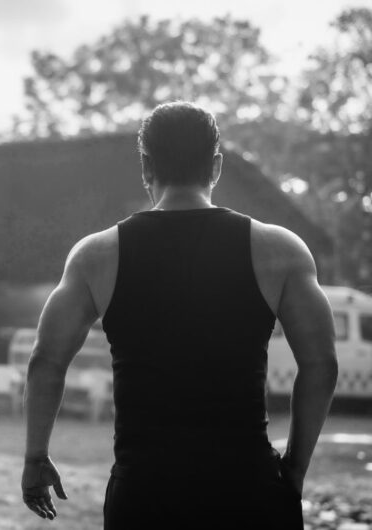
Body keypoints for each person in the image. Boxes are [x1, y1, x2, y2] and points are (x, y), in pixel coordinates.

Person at [21, 101, 338, 529]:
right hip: (249, 491)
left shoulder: (96, 255)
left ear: (146, 166)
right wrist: (295, 468)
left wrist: (36, 456)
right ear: (216, 166)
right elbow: (321, 365)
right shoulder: (279, 250)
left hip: (144, 496)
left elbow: (46, 360)